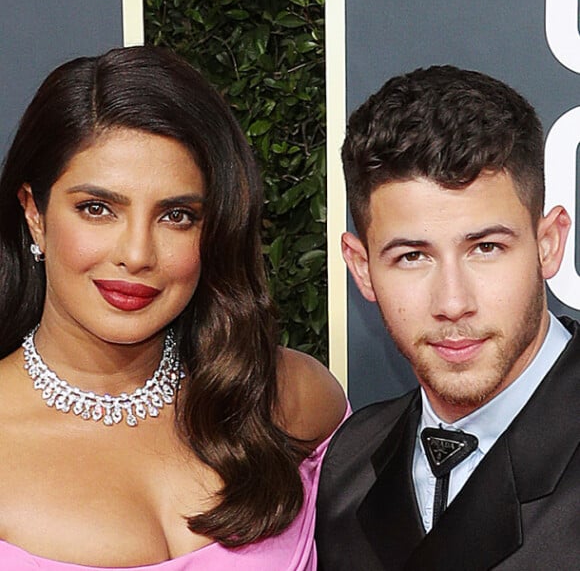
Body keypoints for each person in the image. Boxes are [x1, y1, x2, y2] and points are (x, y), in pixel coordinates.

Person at [0, 46, 346, 570]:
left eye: (177, 216)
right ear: (35, 215)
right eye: (97, 209)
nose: (137, 255)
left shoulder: (290, 397)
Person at [316, 65, 579, 570]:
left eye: (486, 247)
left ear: (549, 244)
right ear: (362, 269)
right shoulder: (348, 464)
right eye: (412, 256)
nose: (453, 302)